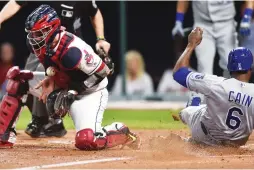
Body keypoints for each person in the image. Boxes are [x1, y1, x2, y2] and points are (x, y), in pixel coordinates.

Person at [0, 4, 139, 150]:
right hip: (63, 82)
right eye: (32, 33)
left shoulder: (72, 51)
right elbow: (49, 60)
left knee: (87, 141)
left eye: (38, 33)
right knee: (18, 78)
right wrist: (50, 78)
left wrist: (72, 92)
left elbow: (103, 71)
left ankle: (120, 131)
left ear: (51, 29)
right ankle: (4, 135)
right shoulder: (39, 44)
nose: (34, 38)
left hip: (89, 91)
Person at [173, 27, 254, 147]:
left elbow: (178, 73)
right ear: (251, 69)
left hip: (204, 134)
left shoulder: (217, 83)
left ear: (230, 68)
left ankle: (192, 106)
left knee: (188, 111)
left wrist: (191, 44)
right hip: (235, 144)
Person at [172, 1, 254, 77]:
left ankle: (231, 91)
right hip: (203, 24)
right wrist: (179, 21)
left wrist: (247, 17)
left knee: (231, 64)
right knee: (204, 65)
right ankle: (204, 92)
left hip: (226, 24)